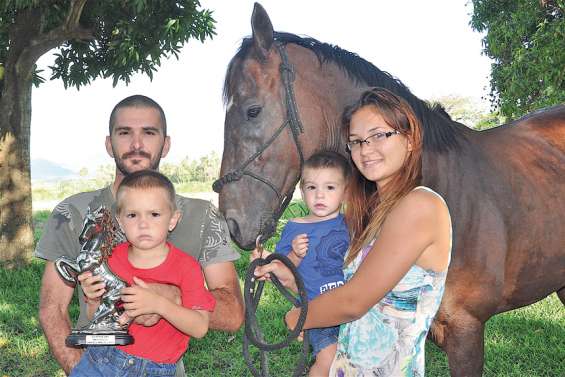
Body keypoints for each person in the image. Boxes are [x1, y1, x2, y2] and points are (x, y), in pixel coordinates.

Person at [36, 95, 244, 376]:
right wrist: (81, 370)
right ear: (109, 144)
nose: (136, 144)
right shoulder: (73, 212)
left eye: (149, 132)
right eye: (124, 133)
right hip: (95, 359)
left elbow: (232, 314)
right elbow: (52, 309)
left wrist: (169, 297)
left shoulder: (202, 215)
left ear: (165, 144)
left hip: (162, 366)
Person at [255, 87, 452, 376]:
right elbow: (340, 289)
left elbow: (354, 301)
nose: (365, 149)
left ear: (409, 140)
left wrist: (299, 317)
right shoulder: (373, 216)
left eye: (379, 135)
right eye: (357, 141)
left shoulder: (421, 205)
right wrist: (289, 274)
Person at [71, 170, 215, 376]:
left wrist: (159, 304)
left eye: (154, 214)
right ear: (120, 222)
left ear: (173, 220)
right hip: (100, 359)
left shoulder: (187, 267)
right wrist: (94, 300)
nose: (143, 224)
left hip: (152, 369)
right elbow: (99, 320)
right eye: (132, 215)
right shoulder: (110, 259)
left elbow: (200, 327)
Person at [254, 151, 350, 376]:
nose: (320, 196)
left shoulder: (351, 223)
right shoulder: (295, 227)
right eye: (312, 188)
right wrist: (295, 255)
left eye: (330, 188)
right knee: (328, 359)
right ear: (302, 191)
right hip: (317, 309)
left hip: (350, 306)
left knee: (351, 362)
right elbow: (284, 270)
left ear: (345, 192)